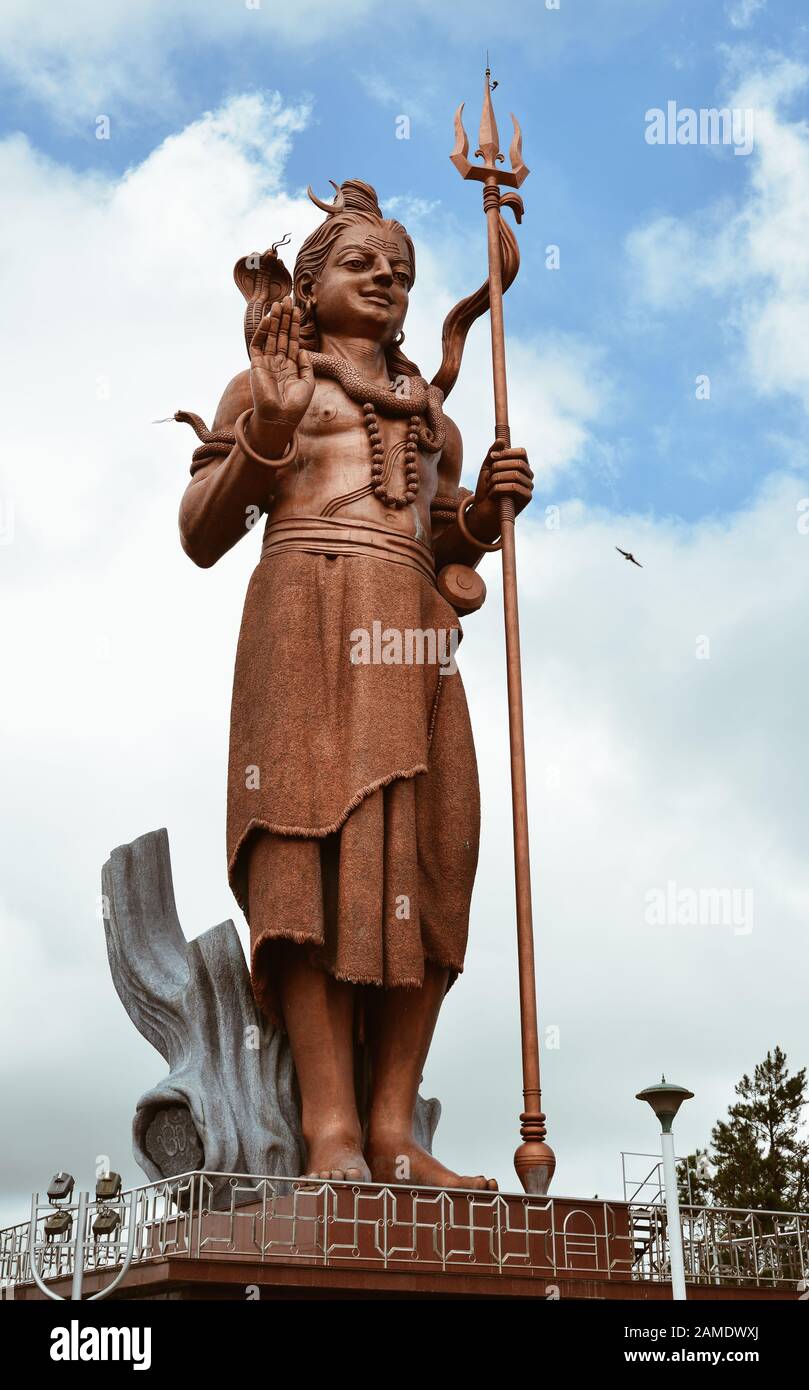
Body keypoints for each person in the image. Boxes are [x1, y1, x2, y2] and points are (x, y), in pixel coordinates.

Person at [179, 180, 533, 1188]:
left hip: (413, 637)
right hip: (304, 613)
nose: (385, 278)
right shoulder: (267, 383)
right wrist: (266, 435)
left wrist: (486, 517)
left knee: (429, 861)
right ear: (309, 281)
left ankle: (391, 1132)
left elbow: (445, 540)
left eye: (402, 271)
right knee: (307, 862)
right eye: (359, 263)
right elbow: (202, 531)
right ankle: (329, 1127)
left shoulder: (433, 422)